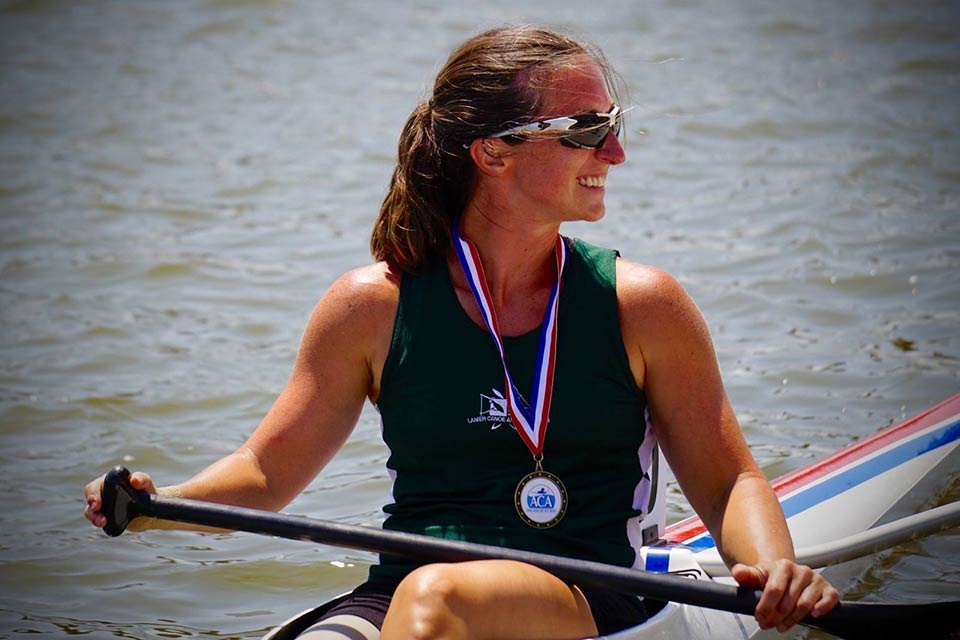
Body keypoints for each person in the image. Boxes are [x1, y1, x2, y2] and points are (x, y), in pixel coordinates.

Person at [84, 25, 839, 639]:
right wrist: (160, 504)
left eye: (613, 127)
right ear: (493, 152)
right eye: (587, 130)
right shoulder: (369, 308)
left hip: (586, 591)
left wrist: (774, 567)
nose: (615, 153)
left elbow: (727, 479)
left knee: (439, 600)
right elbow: (265, 473)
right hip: (402, 593)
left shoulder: (640, 305)